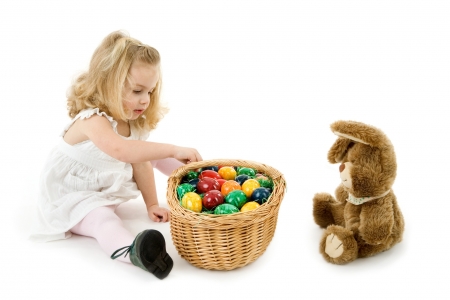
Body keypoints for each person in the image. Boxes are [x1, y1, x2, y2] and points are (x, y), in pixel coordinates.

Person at [30, 30, 202, 279]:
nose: (145, 100)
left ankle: (199, 180)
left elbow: (140, 160)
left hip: (104, 186)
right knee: (103, 220)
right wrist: (174, 148)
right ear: (107, 83)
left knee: (150, 152)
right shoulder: (92, 120)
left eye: (150, 92)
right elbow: (122, 151)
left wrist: (151, 204)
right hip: (73, 196)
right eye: (137, 91)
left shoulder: (134, 123)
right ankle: (133, 252)